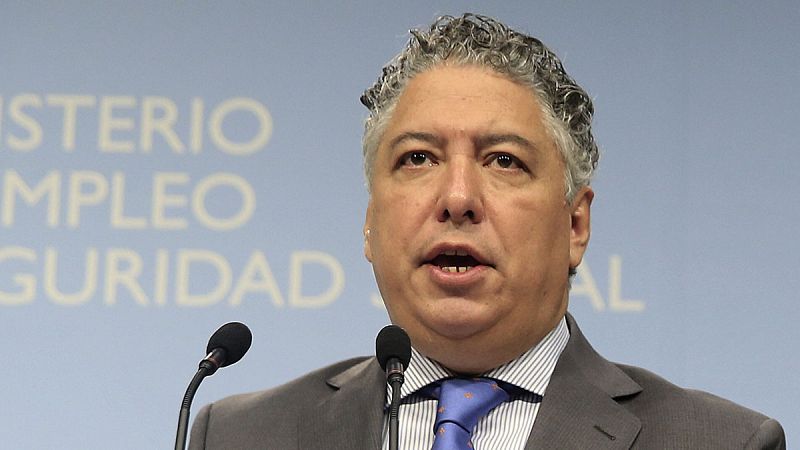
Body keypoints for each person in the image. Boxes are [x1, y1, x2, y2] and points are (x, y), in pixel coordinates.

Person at [189, 13, 785, 449]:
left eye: (504, 161)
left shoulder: (721, 442)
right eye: (418, 158)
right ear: (370, 223)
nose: (457, 199)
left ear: (575, 225)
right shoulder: (241, 436)